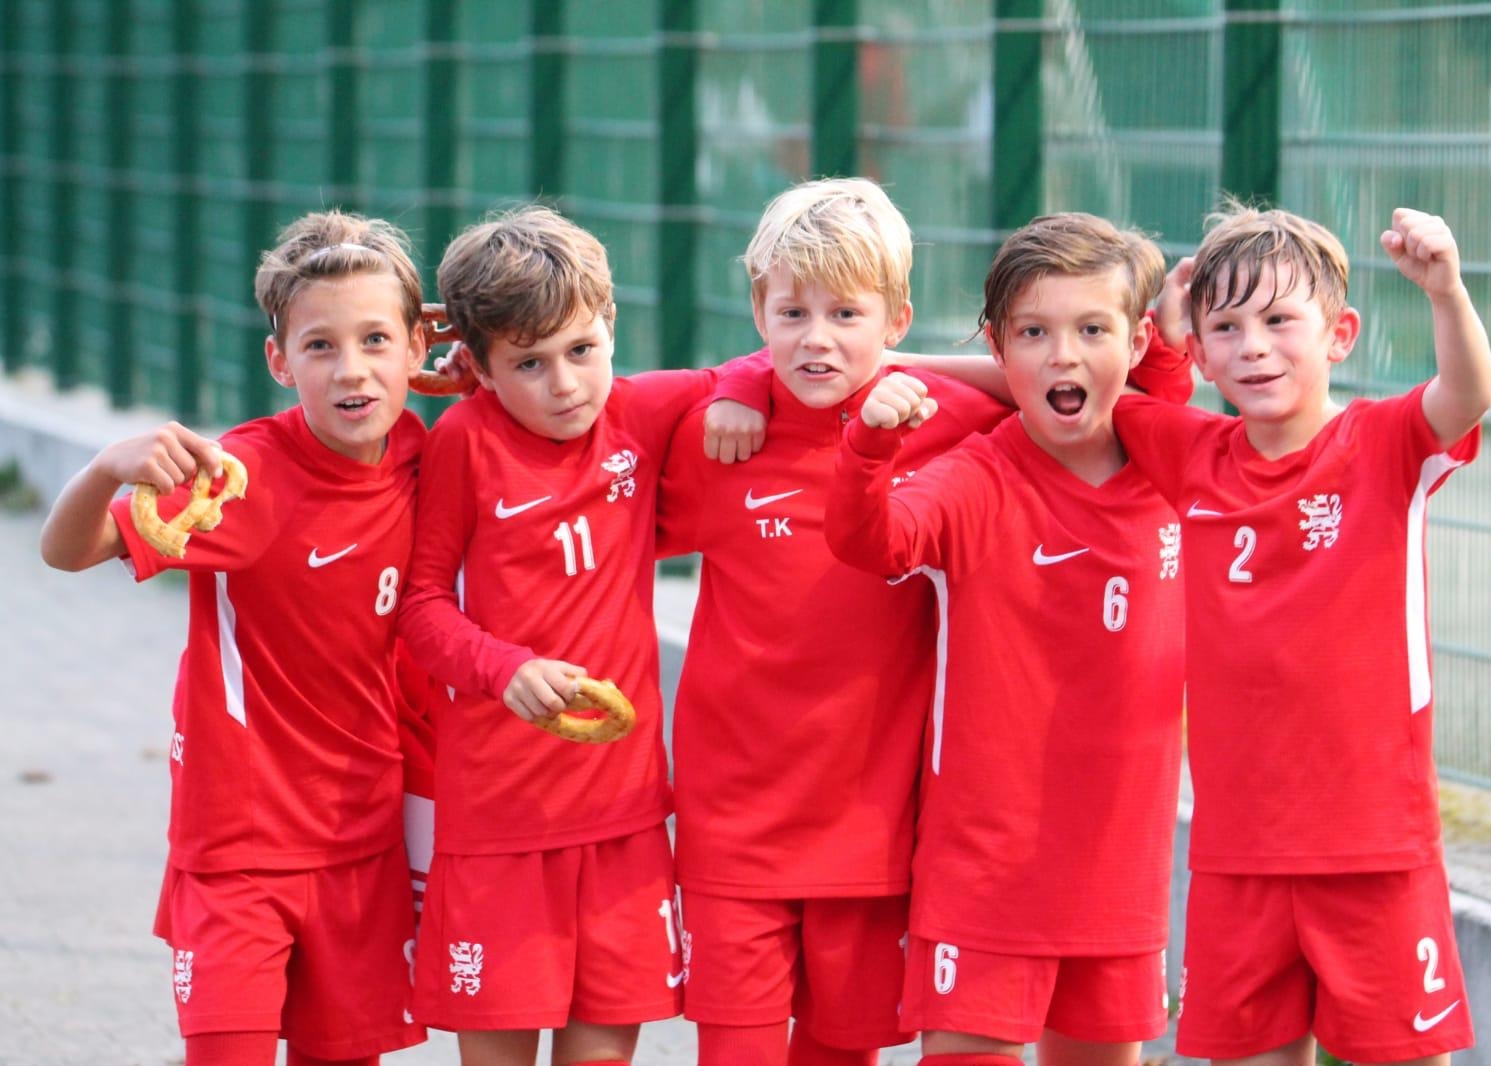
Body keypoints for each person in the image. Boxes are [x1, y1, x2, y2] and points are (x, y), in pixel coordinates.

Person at [38, 211, 431, 1066]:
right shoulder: (239, 479)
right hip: (238, 845)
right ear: (279, 362)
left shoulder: (423, 456)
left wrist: (477, 381)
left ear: (418, 348)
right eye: (320, 346)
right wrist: (106, 468)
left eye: (374, 340)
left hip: (365, 838)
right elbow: (65, 553)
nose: (351, 368)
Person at [1113, 204, 1491, 1066]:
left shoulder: (1383, 442)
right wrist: (1162, 340)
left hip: (1374, 846)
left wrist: (1447, 291)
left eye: (1280, 320)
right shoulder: (1194, 452)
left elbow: (1468, 395)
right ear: (1203, 352)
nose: (1253, 347)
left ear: (1340, 336)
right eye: (1226, 328)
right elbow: (1096, 394)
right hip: (1237, 853)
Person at [651, 176, 1013, 1066]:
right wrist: (741, 377)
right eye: (792, 313)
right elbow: (583, 425)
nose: (816, 339)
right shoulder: (718, 435)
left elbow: (1057, 379)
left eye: (847, 314)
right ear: (758, 314)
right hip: (733, 822)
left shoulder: (943, 423)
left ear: (897, 320)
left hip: (874, 822)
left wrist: (896, 367)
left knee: (841, 1051)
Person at [393, 204, 767, 1066]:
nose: (565, 384)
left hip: (624, 817)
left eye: (582, 350)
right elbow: (420, 608)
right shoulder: (463, 443)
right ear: (479, 365)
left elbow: (772, 362)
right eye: (529, 363)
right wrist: (504, 669)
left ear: (610, 325)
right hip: (499, 819)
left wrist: (742, 392)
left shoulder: (639, 411)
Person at [824, 212, 1186, 1066]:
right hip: (984, 875)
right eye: (1033, 333)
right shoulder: (977, 476)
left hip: (1121, 874)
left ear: (1134, 342)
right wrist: (870, 444)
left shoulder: (1175, 456)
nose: (1063, 356)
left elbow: (1200, 389)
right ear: (996, 346)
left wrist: (1179, 319)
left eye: (1090, 331)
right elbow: (871, 540)